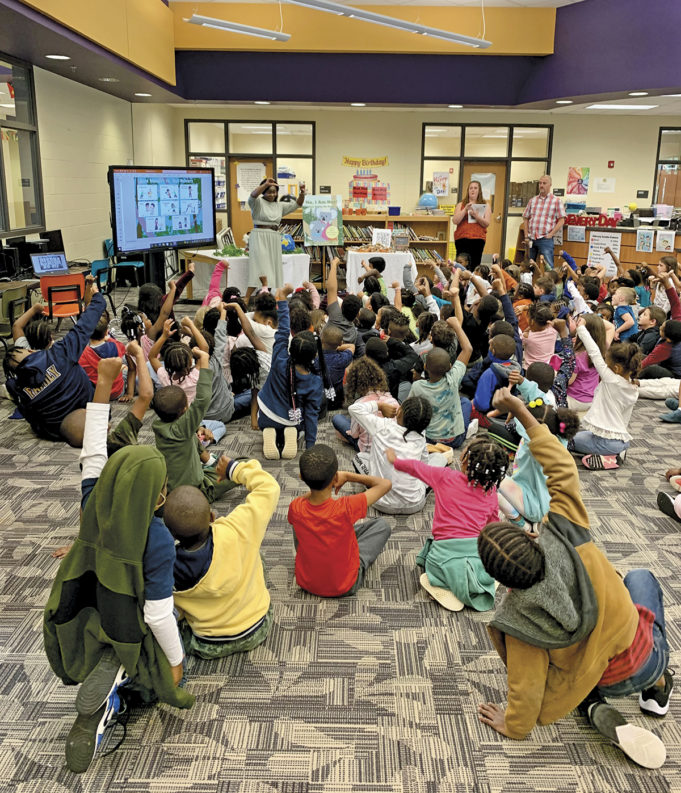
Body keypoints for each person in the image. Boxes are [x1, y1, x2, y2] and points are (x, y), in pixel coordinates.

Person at [477, 388, 671, 770]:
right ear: (529, 536)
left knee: (562, 673)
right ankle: (659, 686)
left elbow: (526, 687)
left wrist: (515, 725)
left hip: (595, 674)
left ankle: (590, 702)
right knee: (641, 576)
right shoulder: (567, 529)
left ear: (497, 578)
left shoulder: (518, 619)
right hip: (642, 655)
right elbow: (562, 468)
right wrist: (520, 410)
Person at [44, 358, 192, 774]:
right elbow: (158, 614)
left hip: (83, 608)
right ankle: (129, 677)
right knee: (178, 629)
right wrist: (176, 663)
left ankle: (105, 661)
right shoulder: (158, 538)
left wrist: (104, 384)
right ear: (158, 495)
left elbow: (93, 453)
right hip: (128, 620)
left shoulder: (95, 500)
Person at [163, 454, 279, 659]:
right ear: (211, 517)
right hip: (258, 625)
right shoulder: (237, 529)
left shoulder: (167, 566)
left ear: (171, 534)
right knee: (253, 551)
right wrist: (234, 469)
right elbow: (269, 488)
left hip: (208, 643)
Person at [387, 436, 507, 612]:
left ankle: (445, 583)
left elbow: (417, 468)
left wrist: (396, 461)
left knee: (434, 557)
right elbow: (493, 528)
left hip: (441, 556)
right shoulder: (491, 492)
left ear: (465, 460)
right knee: (488, 561)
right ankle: (474, 581)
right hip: (475, 554)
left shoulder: (444, 476)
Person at [5, 280, 106, 441]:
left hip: (54, 432)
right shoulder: (60, 352)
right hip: (89, 409)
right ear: (30, 350)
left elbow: (33, 420)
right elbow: (85, 324)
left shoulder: (20, 389)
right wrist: (97, 297)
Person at [288, 444, 392, 598]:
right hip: (345, 585)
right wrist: (349, 476)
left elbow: (305, 499)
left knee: (298, 522)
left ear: (301, 477)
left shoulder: (295, 506)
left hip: (306, 583)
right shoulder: (345, 507)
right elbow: (385, 484)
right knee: (382, 525)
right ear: (335, 477)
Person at [151, 349, 235, 502]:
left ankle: (206, 459)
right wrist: (204, 358)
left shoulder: (159, 426)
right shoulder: (183, 427)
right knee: (243, 464)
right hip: (196, 490)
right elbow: (202, 399)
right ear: (185, 410)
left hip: (170, 488)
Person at [349, 396, 448, 515]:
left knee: (359, 457)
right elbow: (424, 465)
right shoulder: (421, 434)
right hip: (414, 504)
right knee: (439, 458)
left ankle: (374, 487)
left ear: (399, 412)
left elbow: (354, 408)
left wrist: (379, 405)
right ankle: (421, 491)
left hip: (378, 501)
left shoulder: (381, 425)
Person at [257, 284, 324, 459]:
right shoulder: (315, 382)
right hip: (291, 419)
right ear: (313, 356)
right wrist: (310, 447)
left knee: (266, 417)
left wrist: (282, 298)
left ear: (291, 348)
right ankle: (290, 432)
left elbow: (283, 330)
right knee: (299, 423)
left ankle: (270, 431)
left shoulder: (279, 358)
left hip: (267, 412)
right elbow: (311, 415)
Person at [572, 319, 642, 471]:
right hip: (620, 439)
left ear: (616, 368)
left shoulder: (612, 380)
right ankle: (614, 453)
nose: (604, 365)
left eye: (607, 364)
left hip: (606, 442)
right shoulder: (633, 386)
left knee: (566, 441)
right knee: (577, 436)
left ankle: (609, 457)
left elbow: (594, 352)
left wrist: (582, 328)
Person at [410, 319, 473, 448]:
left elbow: (410, 410)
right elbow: (468, 349)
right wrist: (457, 326)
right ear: (450, 366)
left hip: (429, 439)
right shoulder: (454, 378)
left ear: (426, 366)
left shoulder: (417, 387)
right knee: (466, 402)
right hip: (454, 439)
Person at [246, 178, 304, 300]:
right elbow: (252, 195)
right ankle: (246, 298)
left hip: (274, 237)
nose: (272, 194)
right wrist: (265, 184)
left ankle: (267, 296)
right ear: (263, 192)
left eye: (275, 191)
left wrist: (302, 193)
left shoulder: (279, 206)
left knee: (272, 269)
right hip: (259, 236)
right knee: (259, 268)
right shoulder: (257, 203)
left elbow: (298, 204)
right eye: (269, 191)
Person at [333, 356, 399, 452]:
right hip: (389, 448)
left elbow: (355, 434)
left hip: (367, 450)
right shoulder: (393, 401)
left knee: (337, 418)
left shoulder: (358, 405)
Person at [522, 174, 566, 270]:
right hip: (531, 238)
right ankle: (527, 284)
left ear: (550, 185)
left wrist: (551, 234)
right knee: (528, 266)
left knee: (549, 266)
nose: (541, 185)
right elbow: (525, 217)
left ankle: (549, 284)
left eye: (544, 183)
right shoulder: (532, 201)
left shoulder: (556, 201)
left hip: (545, 239)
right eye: (540, 183)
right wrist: (526, 235)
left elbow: (562, 220)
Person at [451, 180, 491, 270]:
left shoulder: (485, 205)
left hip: (478, 239)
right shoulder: (461, 204)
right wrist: (465, 209)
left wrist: (476, 216)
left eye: (475, 188)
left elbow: (486, 223)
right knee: (461, 265)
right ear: (468, 190)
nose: (473, 190)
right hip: (462, 238)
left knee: (475, 264)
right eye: (471, 188)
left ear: (479, 191)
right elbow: (455, 221)